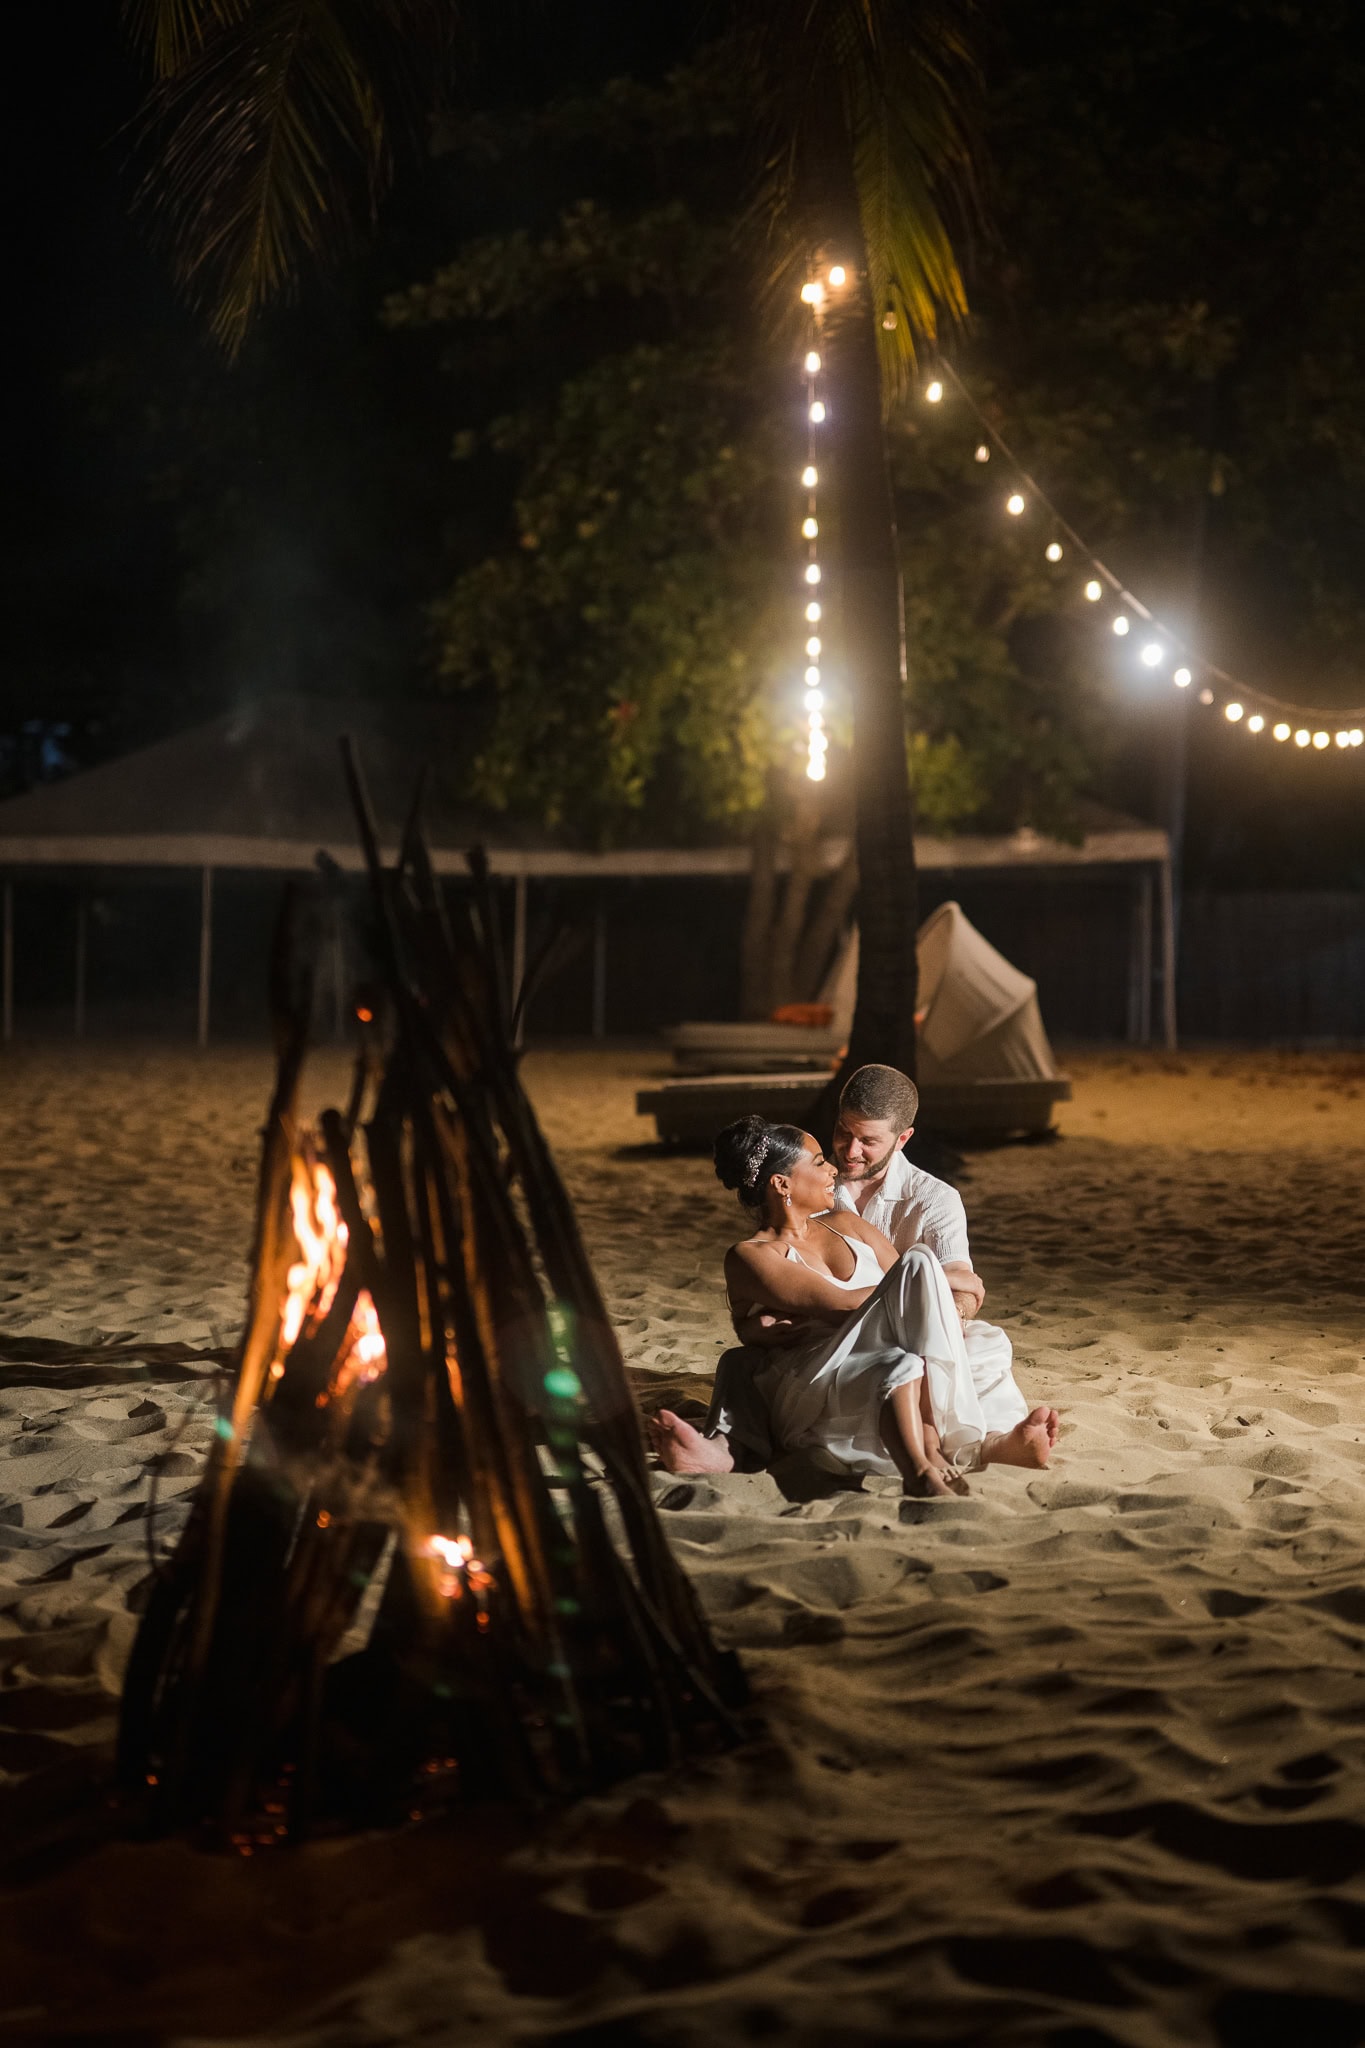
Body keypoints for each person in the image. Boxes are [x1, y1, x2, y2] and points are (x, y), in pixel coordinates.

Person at [648, 1116, 1059, 1497]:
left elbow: (906, 1293)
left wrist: (921, 1283)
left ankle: (1000, 1443)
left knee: (982, 1341)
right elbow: (846, 1306)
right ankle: (929, 1445)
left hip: (895, 1344)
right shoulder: (754, 1255)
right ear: (781, 1184)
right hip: (826, 1366)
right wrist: (944, 1277)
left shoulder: (847, 1224)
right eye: (820, 1162)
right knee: (913, 1288)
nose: (833, 1170)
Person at [831, 1063, 1027, 1439]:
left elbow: (966, 1289)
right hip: (835, 1327)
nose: (851, 1150)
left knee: (984, 1349)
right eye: (843, 1132)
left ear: (903, 1139)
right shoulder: (815, 1184)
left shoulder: (934, 1197)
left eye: (868, 1141)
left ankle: (994, 1442)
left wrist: (946, 1321)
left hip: (912, 1334)